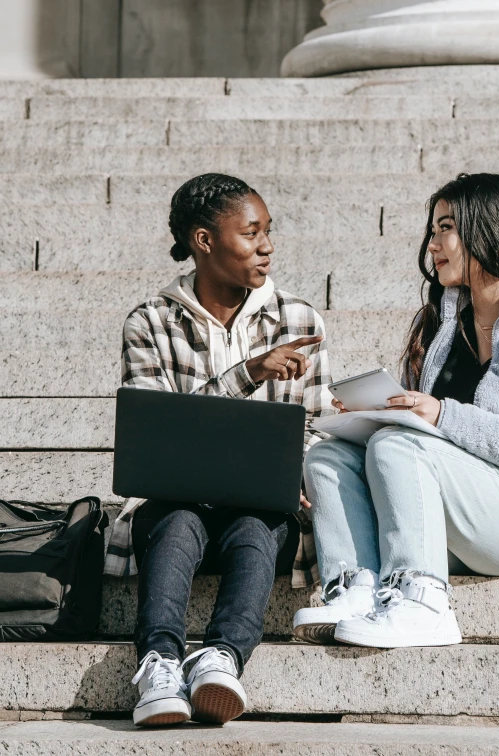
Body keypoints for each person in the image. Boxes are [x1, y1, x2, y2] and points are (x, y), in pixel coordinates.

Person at [293, 173, 499, 649]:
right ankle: (356, 589)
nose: (432, 244)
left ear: (489, 230)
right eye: (432, 230)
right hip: (464, 515)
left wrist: (440, 414)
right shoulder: (441, 323)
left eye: (446, 228)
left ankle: (424, 605)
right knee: (328, 457)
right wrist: (380, 411)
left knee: (399, 445)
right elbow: (427, 442)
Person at [106, 173, 330, 727]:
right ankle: (158, 664)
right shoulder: (151, 324)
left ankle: (222, 659)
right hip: (171, 514)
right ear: (205, 241)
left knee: (258, 524)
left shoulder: (299, 321)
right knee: (177, 518)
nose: (267, 246)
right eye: (251, 233)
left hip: (256, 514)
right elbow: (157, 436)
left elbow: (317, 425)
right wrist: (248, 373)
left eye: (268, 232)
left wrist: (304, 477)